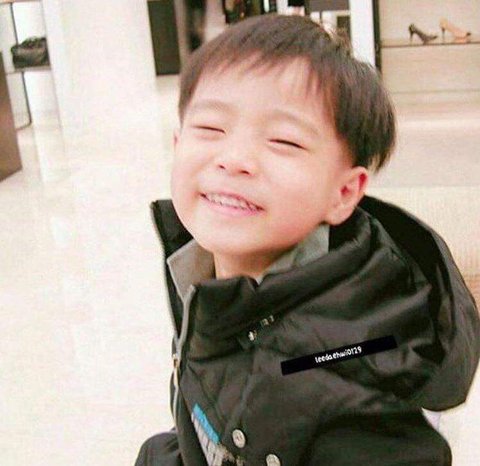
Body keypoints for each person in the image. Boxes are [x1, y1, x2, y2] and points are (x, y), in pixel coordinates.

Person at [134, 14, 480, 466]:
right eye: (211, 129)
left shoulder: (352, 388)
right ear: (178, 143)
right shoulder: (202, 273)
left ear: (344, 193)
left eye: (283, 141)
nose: (233, 159)